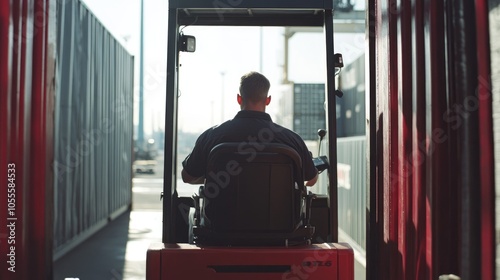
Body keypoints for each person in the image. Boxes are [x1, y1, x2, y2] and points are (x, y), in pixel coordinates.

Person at [181, 71, 318, 186]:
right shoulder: (291, 140)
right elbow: (311, 179)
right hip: (279, 218)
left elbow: (187, 177)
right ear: (268, 100)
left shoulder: (212, 136)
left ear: (239, 99)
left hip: (222, 218)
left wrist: (212, 178)